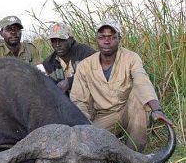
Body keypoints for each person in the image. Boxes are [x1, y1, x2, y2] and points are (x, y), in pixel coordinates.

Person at [70, 18, 173, 151]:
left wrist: (157, 109)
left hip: (128, 110)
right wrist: (85, 128)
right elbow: (79, 101)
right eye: (102, 37)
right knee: (87, 144)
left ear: (119, 39)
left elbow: (142, 82)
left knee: (138, 96)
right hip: (104, 115)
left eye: (112, 37)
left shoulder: (131, 58)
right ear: (97, 39)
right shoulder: (85, 66)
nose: (107, 41)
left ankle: (134, 154)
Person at [42, 22, 95, 95]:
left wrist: (70, 82)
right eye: (54, 40)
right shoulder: (48, 63)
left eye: (61, 39)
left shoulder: (85, 52)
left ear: (71, 39)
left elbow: (98, 75)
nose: (57, 44)